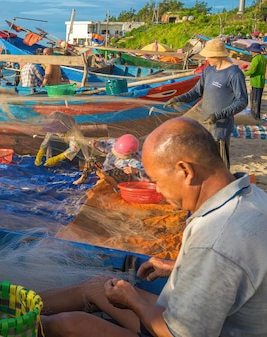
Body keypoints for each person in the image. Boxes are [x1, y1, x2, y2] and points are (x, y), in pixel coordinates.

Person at [39, 117, 267, 337]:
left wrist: (132, 300)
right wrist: (180, 266)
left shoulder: (215, 241)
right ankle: (18, 306)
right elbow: (234, 266)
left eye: (156, 181)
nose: (157, 191)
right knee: (98, 286)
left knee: (69, 325)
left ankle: (19, 325)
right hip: (192, 313)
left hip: (174, 329)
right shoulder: (251, 197)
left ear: (185, 171)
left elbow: (177, 333)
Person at [164, 38, 248, 168]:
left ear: (217, 55)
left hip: (220, 128)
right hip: (204, 124)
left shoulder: (234, 74)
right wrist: (178, 98)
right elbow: (196, 91)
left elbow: (242, 101)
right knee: (205, 164)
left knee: (220, 166)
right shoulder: (209, 70)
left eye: (209, 56)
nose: (206, 59)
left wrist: (218, 115)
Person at [243, 42, 265, 121]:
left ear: (254, 51)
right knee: (257, 99)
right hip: (261, 80)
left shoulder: (256, 58)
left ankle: (255, 117)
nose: (250, 53)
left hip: (256, 81)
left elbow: (253, 70)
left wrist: (243, 73)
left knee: (255, 100)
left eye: (251, 51)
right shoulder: (262, 57)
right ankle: (256, 116)